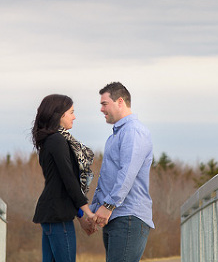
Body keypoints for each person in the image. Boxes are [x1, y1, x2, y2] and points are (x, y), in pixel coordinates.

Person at [88, 82, 154, 262]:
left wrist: (108, 206)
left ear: (119, 102)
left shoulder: (134, 131)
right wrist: (94, 211)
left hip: (128, 217)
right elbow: (107, 180)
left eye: (104, 104)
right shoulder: (117, 135)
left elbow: (128, 173)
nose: (101, 109)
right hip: (115, 216)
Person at [32, 94, 97, 262]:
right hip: (57, 215)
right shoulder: (57, 140)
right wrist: (87, 212)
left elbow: (61, 184)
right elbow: (69, 181)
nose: (74, 117)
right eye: (71, 112)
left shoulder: (52, 140)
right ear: (60, 115)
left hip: (54, 214)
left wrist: (80, 215)